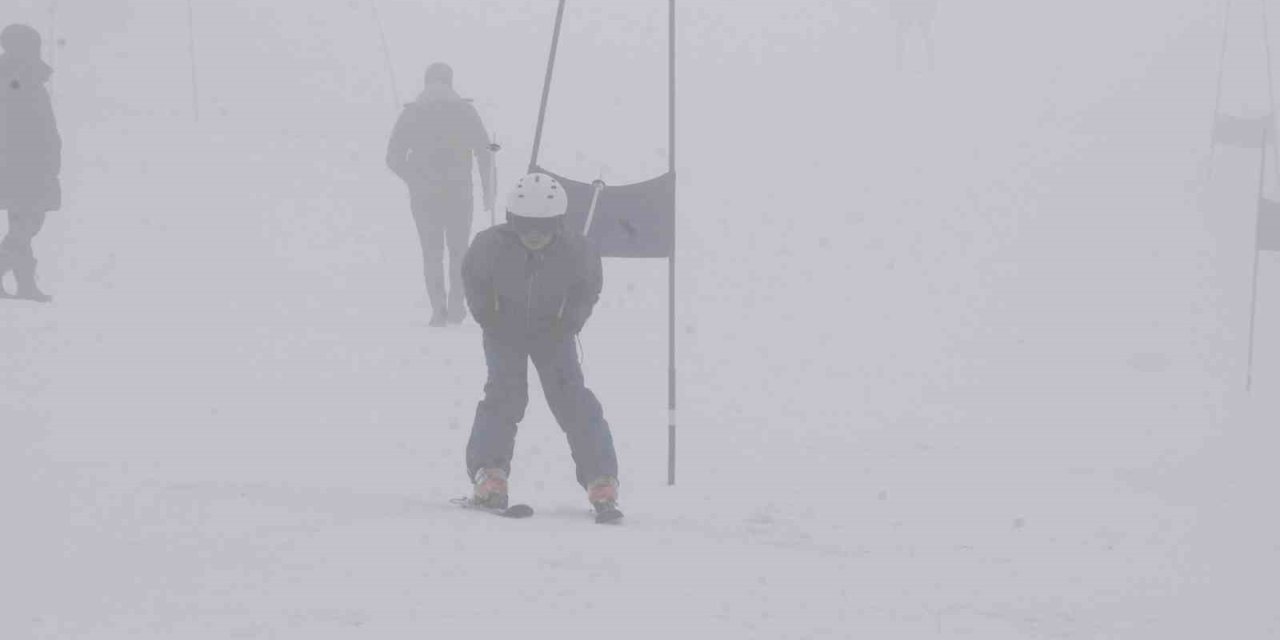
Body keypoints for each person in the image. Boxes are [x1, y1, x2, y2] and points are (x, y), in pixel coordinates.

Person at [461, 172, 621, 520]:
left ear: (558, 225)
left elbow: (588, 287)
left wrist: (571, 321)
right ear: (511, 222)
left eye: (544, 228)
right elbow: (472, 278)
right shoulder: (490, 246)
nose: (535, 237)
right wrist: (487, 314)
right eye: (526, 227)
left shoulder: (577, 250)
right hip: (504, 328)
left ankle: (601, 477)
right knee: (505, 394)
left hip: (554, 331)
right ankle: (490, 473)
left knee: (572, 398)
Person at [386, 62, 495, 326]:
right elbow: (484, 153)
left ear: (426, 82)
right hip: (460, 194)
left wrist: (414, 178)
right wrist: (488, 192)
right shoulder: (465, 111)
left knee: (431, 252)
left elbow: (392, 158)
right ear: (450, 82)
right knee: (459, 251)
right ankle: (457, 307)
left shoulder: (412, 113)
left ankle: (438, 310)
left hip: (424, 198)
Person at [0, 24, 60, 302]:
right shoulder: (17, 77)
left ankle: (25, 285)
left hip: (27, 165)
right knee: (28, 223)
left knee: (22, 224)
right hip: (25, 167)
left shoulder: (22, 76)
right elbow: (23, 126)